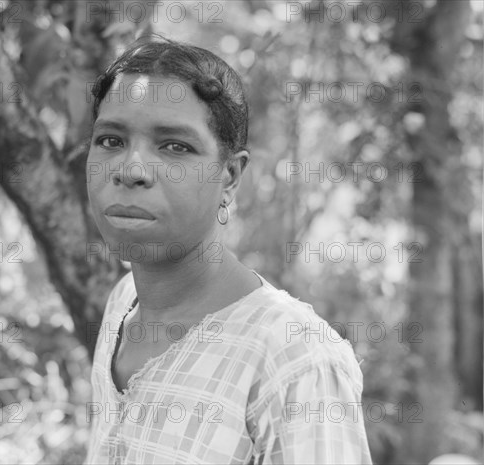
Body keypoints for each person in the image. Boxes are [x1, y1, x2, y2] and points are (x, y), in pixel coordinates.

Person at [84, 34, 372, 464]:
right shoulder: (124, 302)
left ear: (231, 177)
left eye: (175, 146)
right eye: (111, 140)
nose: (131, 170)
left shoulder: (294, 359)